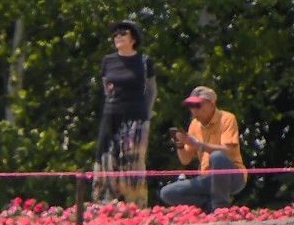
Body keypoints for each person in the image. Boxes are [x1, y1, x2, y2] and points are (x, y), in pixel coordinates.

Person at [94, 20, 153, 205]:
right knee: (106, 157)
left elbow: (151, 91)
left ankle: (135, 205)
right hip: (111, 114)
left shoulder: (144, 61)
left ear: (133, 38)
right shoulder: (108, 61)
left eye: (123, 32)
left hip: (136, 116)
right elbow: (106, 88)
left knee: (132, 162)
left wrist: (146, 115)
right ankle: (105, 204)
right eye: (115, 34)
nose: (117, 36)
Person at [159, 87, 247, 211]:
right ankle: (210, 208)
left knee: (217, 156)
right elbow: (185, 160)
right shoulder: (194, 124)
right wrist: (180, 144)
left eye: (197, 105)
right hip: (207, 178)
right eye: (190, 106)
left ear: (211, 105)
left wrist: (199, 145)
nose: (193, 110)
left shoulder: (227, 118)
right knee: (167, 193)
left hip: (232, 177)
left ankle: (221, 208)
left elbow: (227, 151)